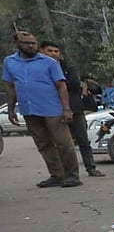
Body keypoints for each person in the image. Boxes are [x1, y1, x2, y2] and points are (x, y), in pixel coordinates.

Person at [3, 31, 80, 187]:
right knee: (43, 144)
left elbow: (61, 86)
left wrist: (66, 109)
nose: (32, 46)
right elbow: (10, 87)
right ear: (17, 44)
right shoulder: (9, 62)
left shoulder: (49, 62)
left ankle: (72, 176)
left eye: (34, 43)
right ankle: (57, 175)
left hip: (53, 109)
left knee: (63, 143)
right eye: (27, 43)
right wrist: (11, 110)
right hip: (29, 110)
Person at [40, 41, 103, 176]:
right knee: (60, 144)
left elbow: (74, 84)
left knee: (83, 140)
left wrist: (57, 83)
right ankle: (62, 172)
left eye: (56, 51)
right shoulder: (39, 68)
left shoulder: (68, 67)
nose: (53, 54)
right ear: (42, 52)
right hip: (53, 110)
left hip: (75, 109)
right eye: (49, 51)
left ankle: (91, 167)